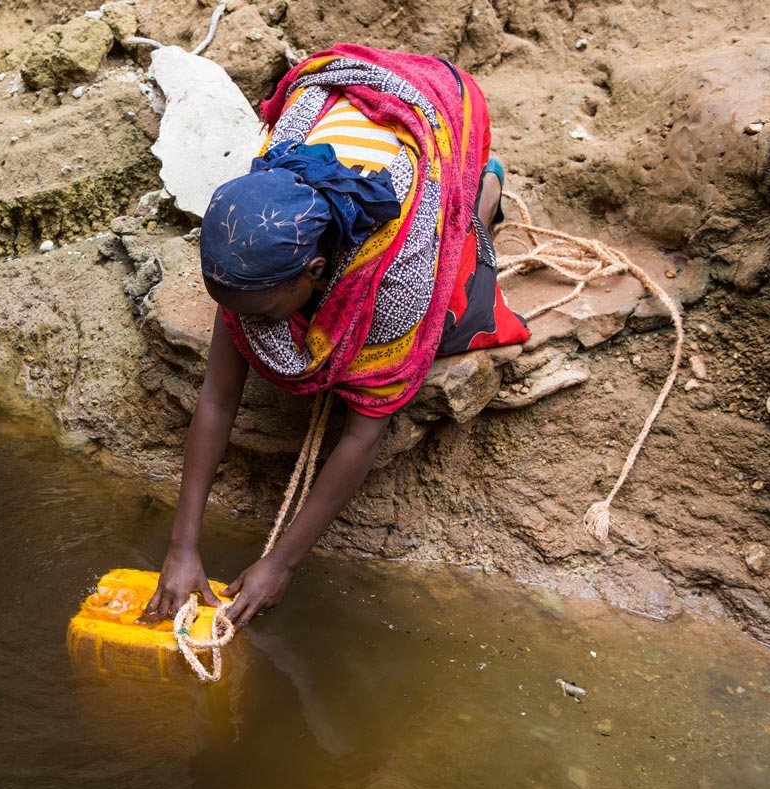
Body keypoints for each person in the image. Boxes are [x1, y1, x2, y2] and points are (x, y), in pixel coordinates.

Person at [141, 44, 530, 628]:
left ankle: (487, 184)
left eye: (265, 311)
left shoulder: (396, 278)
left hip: (434, 108)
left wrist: (283, 563)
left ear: (316, 272)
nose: (250, 323)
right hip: (349, 98)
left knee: (461, 279)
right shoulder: (259, 222)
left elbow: (362, 435)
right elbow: (218, 397)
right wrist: (181, 547)